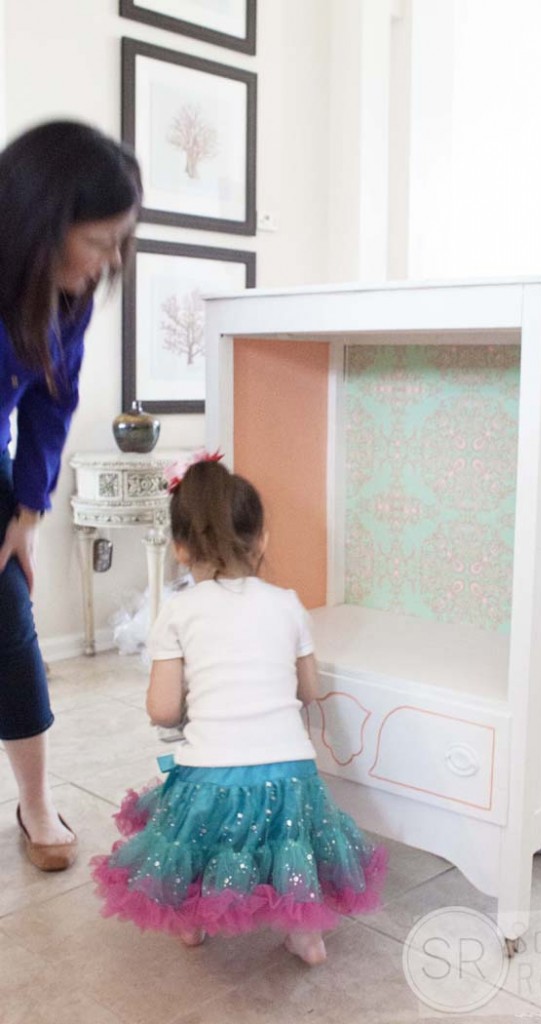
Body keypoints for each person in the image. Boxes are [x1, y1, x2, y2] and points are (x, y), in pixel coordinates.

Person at [91, 457, 387, 965]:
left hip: (212, 779)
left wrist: (193, 697)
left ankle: (190, 918)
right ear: (262, 540)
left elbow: (162, 711)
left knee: (196, 835)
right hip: (291, 778)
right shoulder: (288, 604)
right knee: (287, 843)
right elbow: (311, 690)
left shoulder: (178, 612)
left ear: (180, 549)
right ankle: (303, 933)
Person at [0, 120, 142, 870]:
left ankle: (35, 802)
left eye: (123, 239)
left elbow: (52, 401)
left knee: (10, 632)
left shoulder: (67, 298)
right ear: (40, 226)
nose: (113, 259)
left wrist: (27, 511)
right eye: (102, 240)